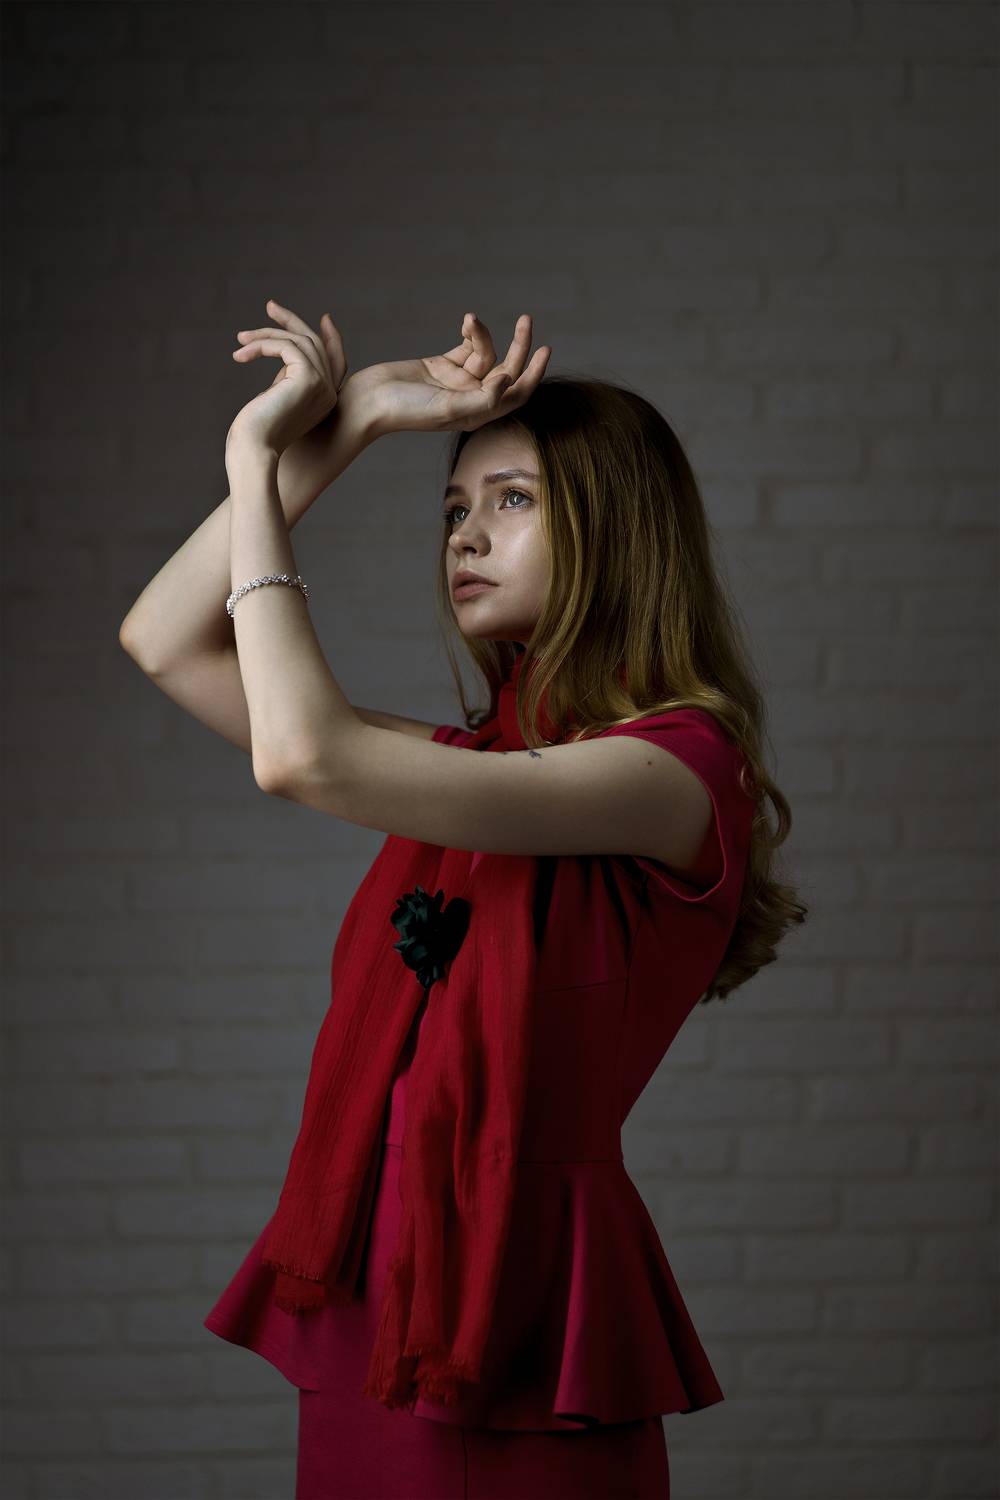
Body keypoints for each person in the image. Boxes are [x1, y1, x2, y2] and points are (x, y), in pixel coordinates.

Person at [119, 303, 807, 1499]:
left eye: (513, 500)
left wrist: (252, 455)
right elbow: (165, 642)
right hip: (367, 1294)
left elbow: (302, 755)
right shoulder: (481, 770)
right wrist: (352, 424)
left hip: (515, 1314)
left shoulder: (674, 772)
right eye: (452, 509)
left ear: (616, 531)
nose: (466, 536)